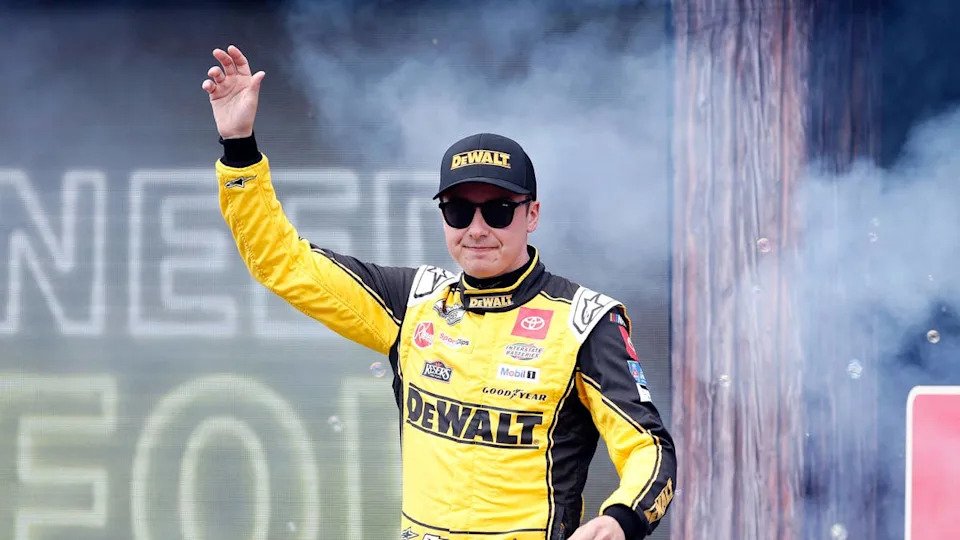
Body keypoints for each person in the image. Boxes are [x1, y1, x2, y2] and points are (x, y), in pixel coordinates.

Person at [202, 44, 676, 540]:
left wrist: (620, 520)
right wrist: (239, 147)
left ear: (532, 215)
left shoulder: (585, 322)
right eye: (457, 210)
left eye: (497, 210)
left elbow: (650, 448)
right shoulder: (413, 303)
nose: (476, 229)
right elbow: (282, 261)